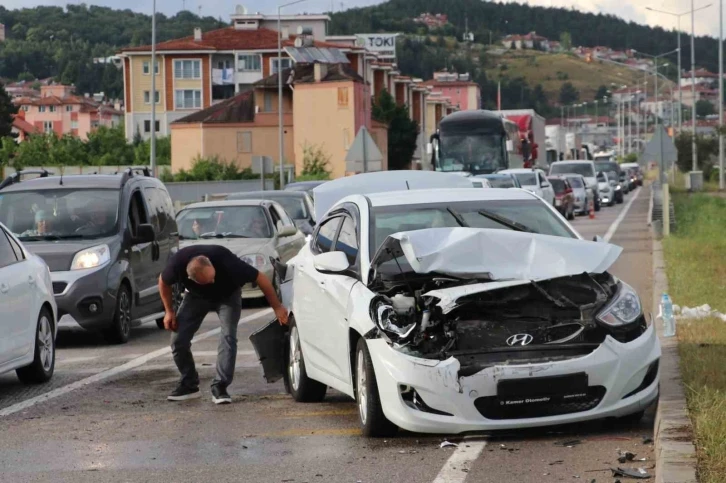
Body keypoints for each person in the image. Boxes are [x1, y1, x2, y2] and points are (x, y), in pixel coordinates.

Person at [159, 244, 288, 404]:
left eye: (213, 277)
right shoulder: (177, 263)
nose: (213, 281)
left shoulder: (226, 260)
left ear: (210, 264)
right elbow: (163, 282)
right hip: (196, 297)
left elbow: (261, 278)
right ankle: (189, 384)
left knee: (228, 336)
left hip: (228, 295)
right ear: (190, 277)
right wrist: (169, 311)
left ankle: (220, 386)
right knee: (178, 340)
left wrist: (277, 307)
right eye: (208, 281)